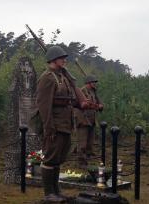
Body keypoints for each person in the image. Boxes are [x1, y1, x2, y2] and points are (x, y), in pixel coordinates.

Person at [37, 45, 86, 202]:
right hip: (55, 125)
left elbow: (70, 100)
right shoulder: (47, 78)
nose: (65, 60)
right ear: (53, 59)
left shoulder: (63, 77)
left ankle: (56, 192)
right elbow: (44, 105)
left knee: (58, 158)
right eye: (62, 58)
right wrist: (49, 127)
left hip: (65, 124)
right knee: (50, 158)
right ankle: (49, 194)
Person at [74, 75, 103, 168]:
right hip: (83, 119)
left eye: (95, 82)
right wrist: (92, 105)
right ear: (88, 83)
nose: (95, 84)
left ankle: (87, 160)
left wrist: (100, 106)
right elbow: (78, 104)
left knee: (90, 143)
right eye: (93, 82)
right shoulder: (81, 91)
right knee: (82, 143)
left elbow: (100, 104)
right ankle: (81, 163)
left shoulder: (94, 92)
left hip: (92, 119)